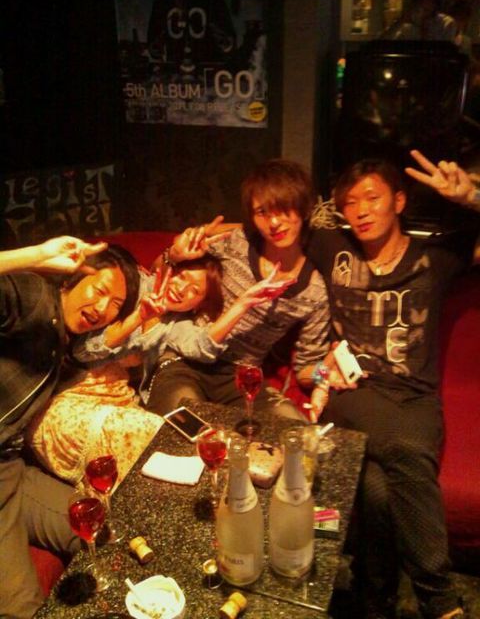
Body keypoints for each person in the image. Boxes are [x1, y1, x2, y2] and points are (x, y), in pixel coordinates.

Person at [306, 150, 479, 619]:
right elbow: (271, 228)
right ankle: (438, 599)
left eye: (372, 198)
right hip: (353, 393)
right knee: (405, 448)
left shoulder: (436, 258)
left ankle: (375, 600)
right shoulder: (333, 248)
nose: (360, 210)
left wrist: (472, 199)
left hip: (416, 401)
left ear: (399, 201)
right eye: (350, 202)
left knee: (379, 490)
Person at [29, 255, 293, 484]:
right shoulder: (132, 287)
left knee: (164, 437)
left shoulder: (173, 325)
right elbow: (84, 350)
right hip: (73, 386)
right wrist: (138, 316)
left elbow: (203, 346)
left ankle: (235, 473)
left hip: (118, 394)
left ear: (197, 305)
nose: (182, 289)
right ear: (170, 271)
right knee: (147, 435)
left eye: (194, 291)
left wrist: (243, 304)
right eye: (182, 277)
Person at [0, 236, 140, 619]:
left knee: (107, 531)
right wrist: (36, 256)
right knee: (22, 608)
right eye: (99, 291)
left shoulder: (66, 341)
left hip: (11, 471)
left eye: (115, 305)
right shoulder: (33, 297)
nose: (102, 309)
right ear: (69, 281)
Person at [144, 158, 332, 420]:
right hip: (185, 358)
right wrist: (173, 255)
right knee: (185, 419)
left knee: (294, 428)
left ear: (304, 206)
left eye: (283, 209)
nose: (274, 222)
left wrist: (326, 373)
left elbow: (305, 369)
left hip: (240, 377)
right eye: (262, 212)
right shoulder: (237, 242)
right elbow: (155, 277)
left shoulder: (315, 291)